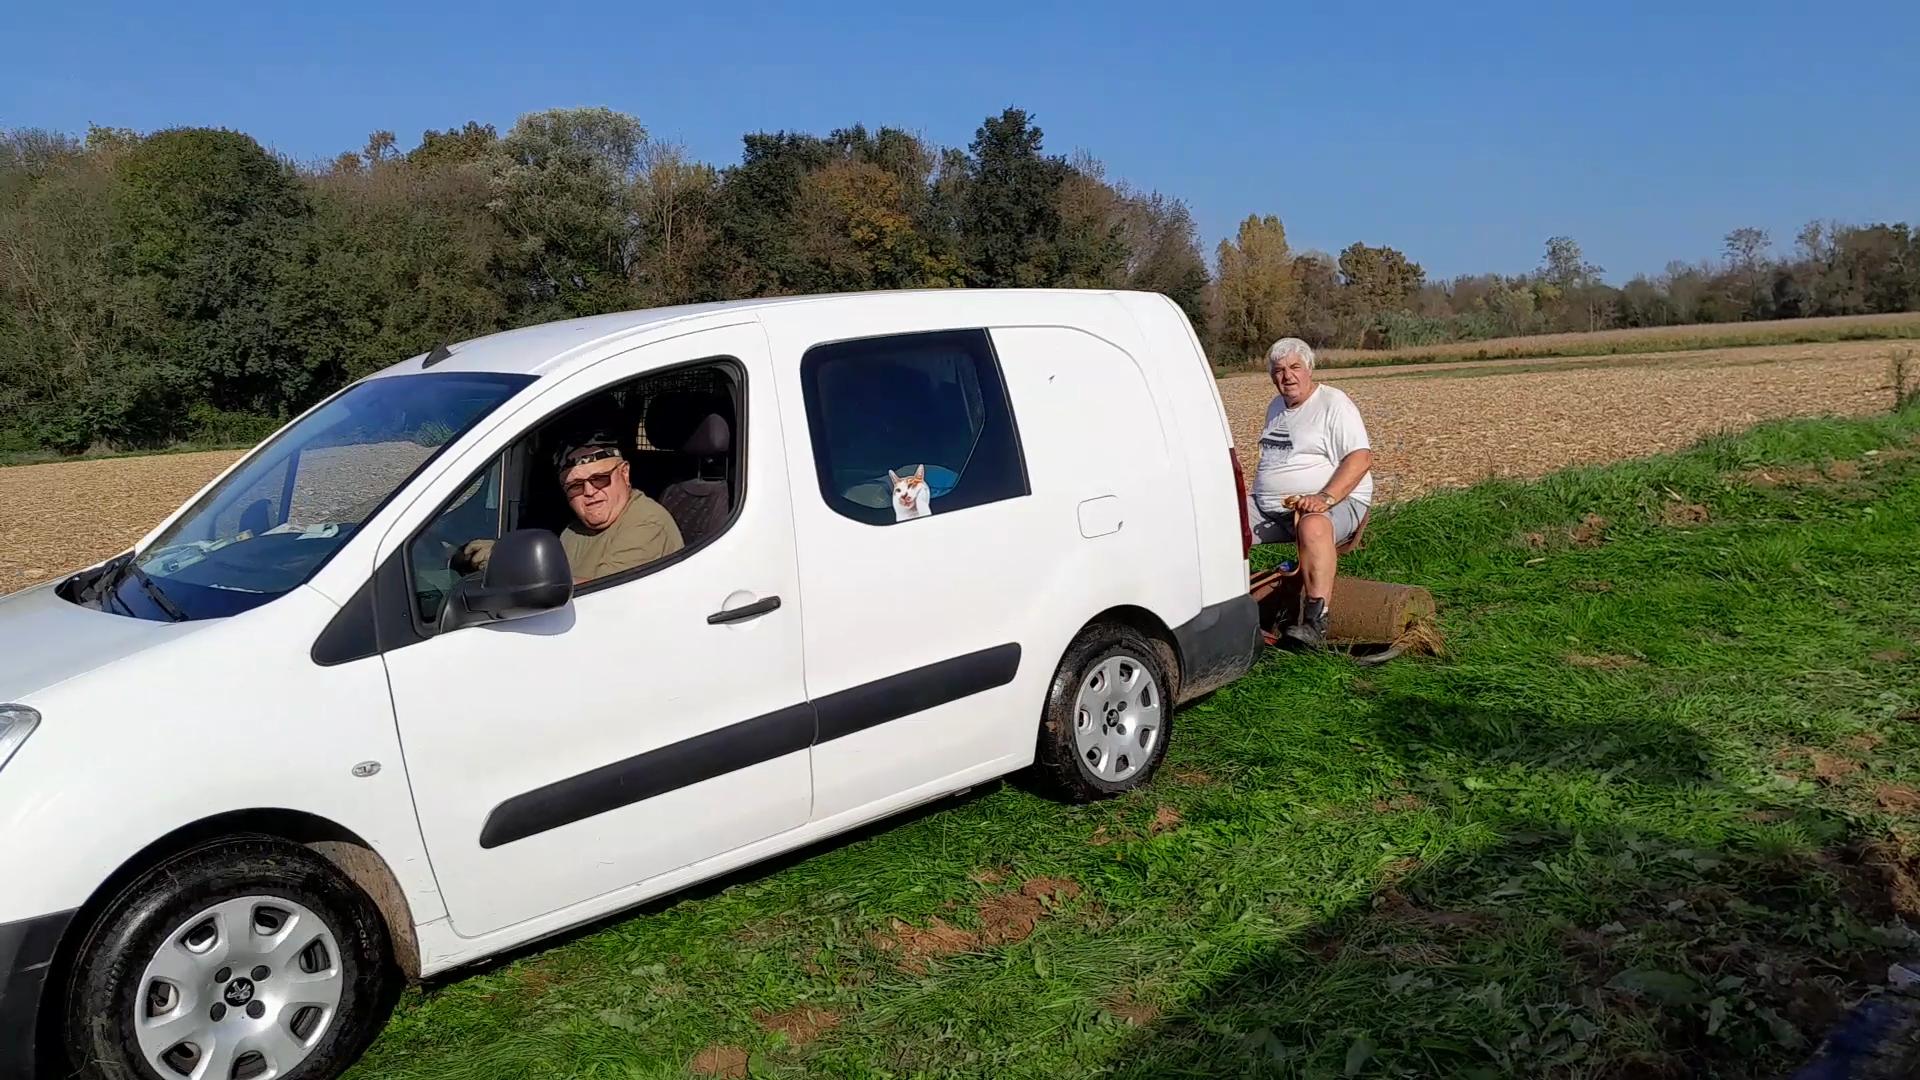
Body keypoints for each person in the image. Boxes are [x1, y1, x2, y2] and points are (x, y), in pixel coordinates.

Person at [1249, 337, 1374, 647]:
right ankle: (1226, 607)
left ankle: (1315, 623)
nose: (1287, 376)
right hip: (1271, 507)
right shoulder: (1276, 407)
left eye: (1294, 367)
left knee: (1313, 523)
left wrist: (1325, 498)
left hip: (1338, 502)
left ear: (1309, 369)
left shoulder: (1333, 403)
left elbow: (1361, 458)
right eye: (1278, 370)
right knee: (1219, 518)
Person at [460, 429, 684, 585]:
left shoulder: (647, 523)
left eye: (600, 478)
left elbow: (604, 595)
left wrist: (510, 563)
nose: (589, 491)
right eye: (576, 486)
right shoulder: (577, 528)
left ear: (624, 474)